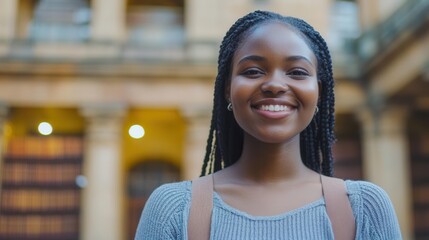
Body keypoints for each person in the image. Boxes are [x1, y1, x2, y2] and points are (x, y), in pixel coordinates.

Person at [134, 10, 402, 240]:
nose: (274, 85)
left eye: (297, 72)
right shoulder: (173, 209)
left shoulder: (364, 208)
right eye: (252, 71)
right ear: (227, 89)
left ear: (318, 91)